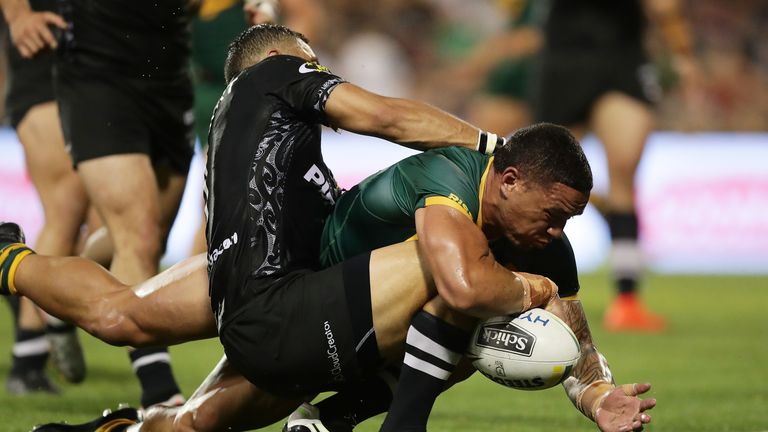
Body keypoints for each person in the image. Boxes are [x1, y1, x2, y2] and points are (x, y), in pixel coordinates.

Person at [1, 25, 651, 432]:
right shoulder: (281, 81)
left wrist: (595, 393)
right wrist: (494, 145)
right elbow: (390, 119)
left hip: (314, 285)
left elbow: (571, 316)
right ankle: (10, 261)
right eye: (307, 60)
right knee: (462, 290)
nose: (557, 232)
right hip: (280, 284)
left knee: (187, 410)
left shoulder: (535, 233)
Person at [49, 0, 199, 406]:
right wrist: (16, 15)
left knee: (148, 239)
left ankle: (59, 285)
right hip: (97, 72)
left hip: (168, 74)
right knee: (140, 235)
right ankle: (160, 392)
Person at [534, 0, 696, 332]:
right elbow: (664, 8)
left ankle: (530, 291)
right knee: (616, 179)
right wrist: (681, 53)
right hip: (610, 55)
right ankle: (627, 301)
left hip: (576, 56)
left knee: (542, 176)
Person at [0, 0, 86, 393]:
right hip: (42, 57)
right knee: (66, 202)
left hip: (100, 66)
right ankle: (29, 357)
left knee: (114, 224)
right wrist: (17, 15)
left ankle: (57, 313)